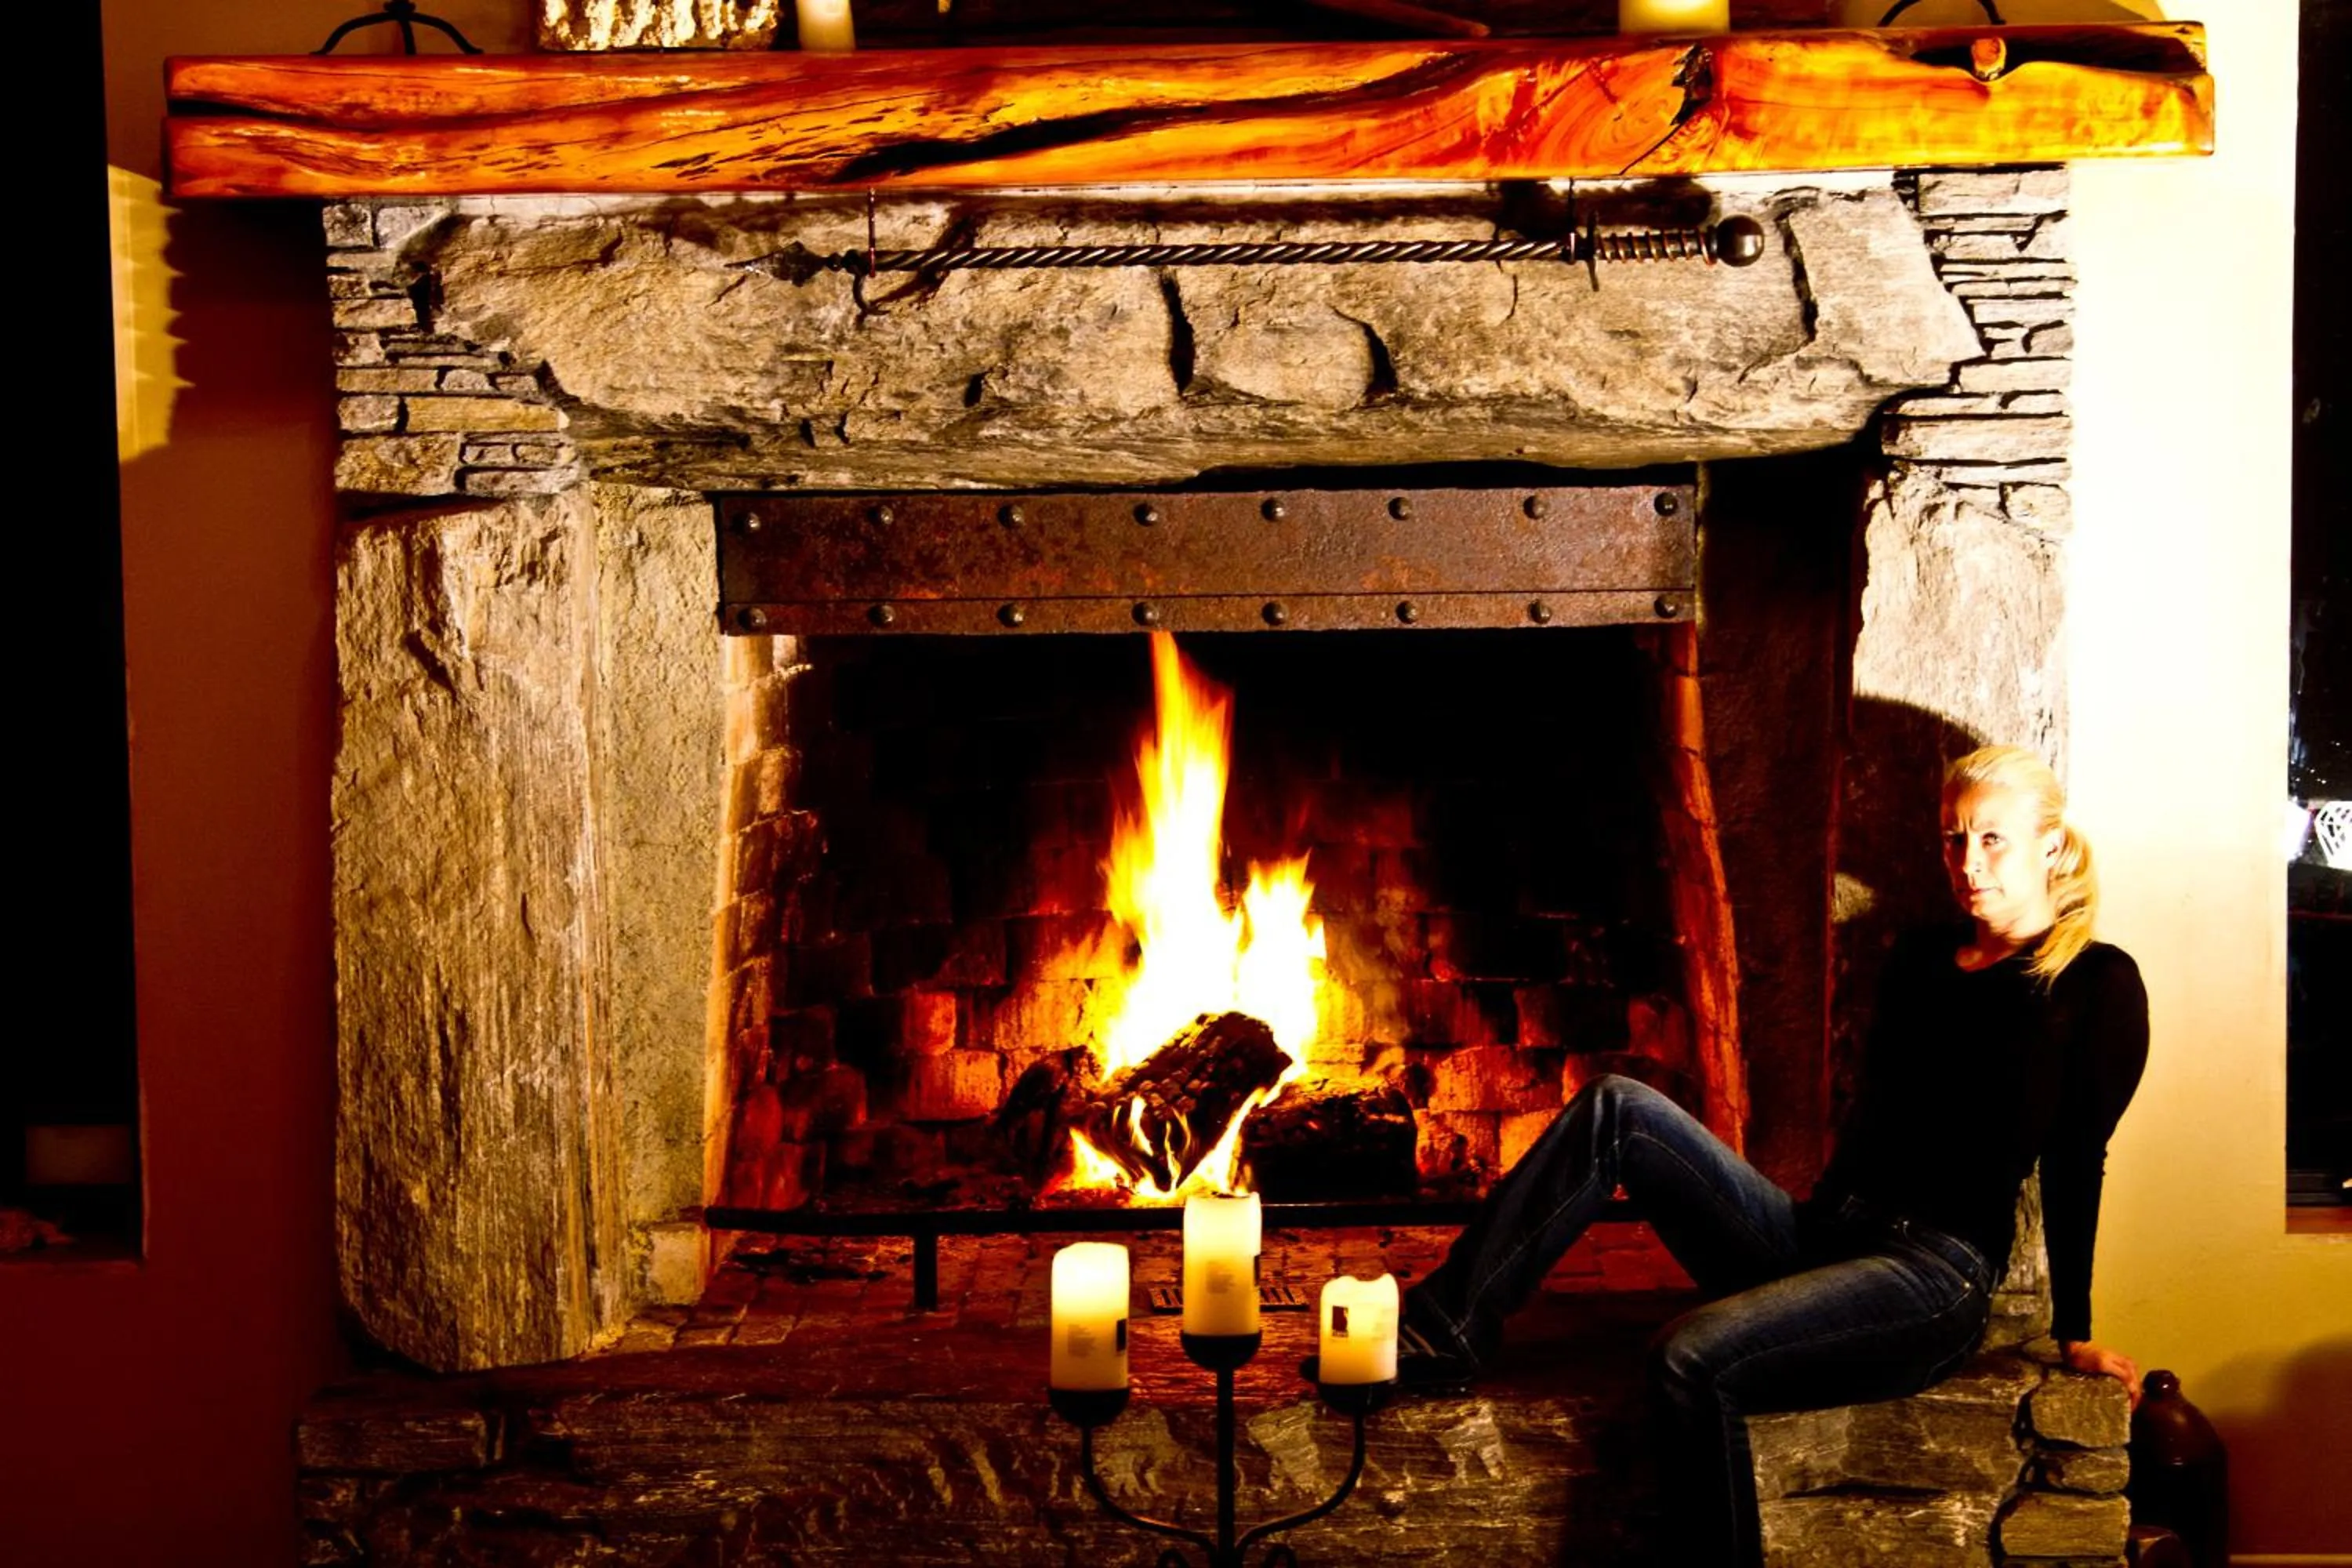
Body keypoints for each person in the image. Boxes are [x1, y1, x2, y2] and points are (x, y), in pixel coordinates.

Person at [1396, 744, 2150, 1566]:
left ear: (2049, 843)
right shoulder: (1920, 957)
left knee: (1689, 1356)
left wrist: (2074, 1329)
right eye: (1951, 838)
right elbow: (1873, 1121)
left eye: (1992, 838)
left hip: (1934, 1272)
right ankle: (1445, 1329)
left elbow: (2080, 1157)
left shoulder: (2097, 983)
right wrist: (1797, 1240)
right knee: (1620, 1106)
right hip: (1822, 1235)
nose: (1967, 863)